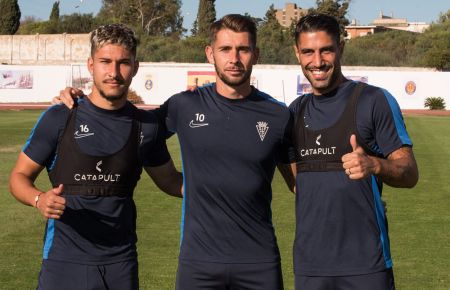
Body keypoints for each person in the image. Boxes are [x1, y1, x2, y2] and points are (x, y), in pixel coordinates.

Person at [55, 14, 294, 290]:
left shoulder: (277, 115)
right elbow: (127, 122)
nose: (234, 58)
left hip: (259, 261)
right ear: (210, 53)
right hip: (198, 262)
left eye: (243, 49)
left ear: (256, 54)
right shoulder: (184, 106)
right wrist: (80, 101)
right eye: (225, 49)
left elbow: (302, 183)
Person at [9, 24, 182, 290]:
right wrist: (38, 199)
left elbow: (170, 181)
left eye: (123, 63)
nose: (113, 72)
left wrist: (224, 187)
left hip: (120, 264)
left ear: (136, 66)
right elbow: (19, 177)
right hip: (63, 263)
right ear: (91, 65)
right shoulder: (60, 117)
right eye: (105, 62)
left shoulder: (146, 126)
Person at [288, 14, 419, 290]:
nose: (318, 61)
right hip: (310, 268)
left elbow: (409, 172)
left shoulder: (374, 101)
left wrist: (375, 166)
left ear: (341, 49)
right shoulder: (294, 113)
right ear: (297, 53)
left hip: (366, 265)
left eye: (326, 50)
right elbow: (297, 183)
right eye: (308, 52)